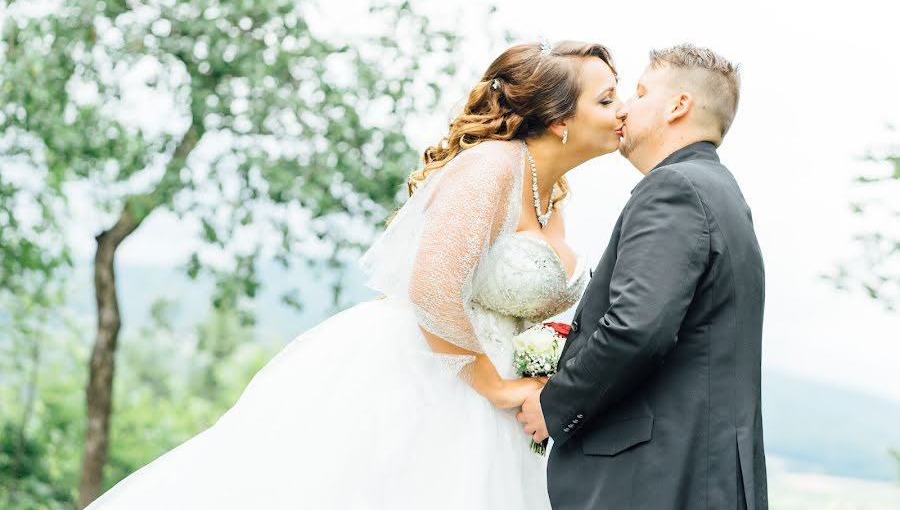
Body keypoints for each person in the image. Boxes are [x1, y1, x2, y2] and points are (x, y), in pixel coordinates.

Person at [85, 40, 623, 509]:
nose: (623, 110)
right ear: (559, 119)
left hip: (493, 390)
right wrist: (499, 386)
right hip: (431, 374)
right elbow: (433, 290)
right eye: (606, 99)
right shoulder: (493, 167)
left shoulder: (552, 191)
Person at [518, 43, 768, 509]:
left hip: (650, 480)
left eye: (639, 92)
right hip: (700, 476)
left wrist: (554, 407)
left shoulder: (675, 189)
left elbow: (638, 328)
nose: (625, 108)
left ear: (678, 106)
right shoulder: (723, 194)